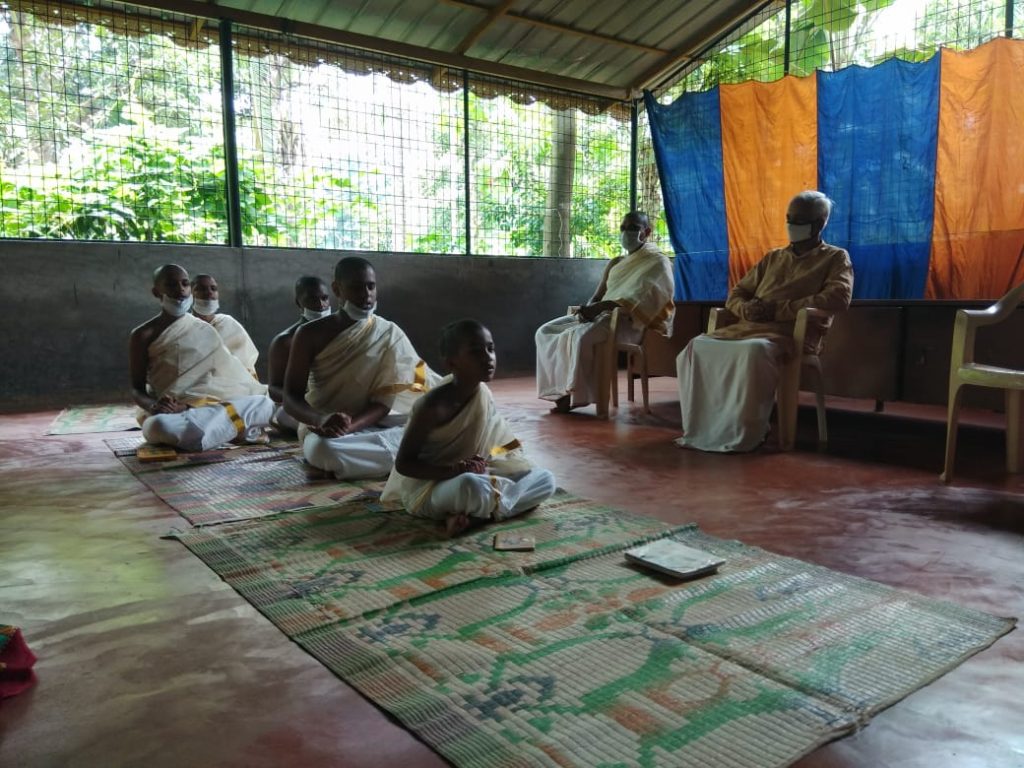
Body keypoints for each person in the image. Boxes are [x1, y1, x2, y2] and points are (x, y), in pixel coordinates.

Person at [675, 190, 855, 452]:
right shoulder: (773, 257)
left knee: (753, 351)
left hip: (790, 334)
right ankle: (704, 430)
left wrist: (779, 310)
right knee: (695, 348)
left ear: (818, 224)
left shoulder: (835, 258)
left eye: (799, 220)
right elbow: (736, 295)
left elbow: (838, 298)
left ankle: (746, 431)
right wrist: (747, 309)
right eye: (789, 218)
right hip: (747, 327)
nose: (791, 225)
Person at [382, 319, 556, 537]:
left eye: (490, 349)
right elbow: (404, 464)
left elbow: (495, 449)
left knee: (545, 479)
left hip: (476, 476)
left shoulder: (483, 394)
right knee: (470, 486)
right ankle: (492, 510)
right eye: (476, 352)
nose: (488, 357)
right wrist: (454, 471)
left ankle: (477, 517)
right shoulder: (432, 407)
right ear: (451, 363)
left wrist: (481, 464)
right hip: (433, 488)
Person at [283, 256, 441, 479]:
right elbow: (291, 397)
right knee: (322, 450)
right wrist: (322, 420)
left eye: (371, 286)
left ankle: (405, 458)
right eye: (356, 287)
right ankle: (415, 460)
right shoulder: (309, 334)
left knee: (436, 427)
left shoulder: (388, 332)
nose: (366, 294)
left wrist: (350, 426)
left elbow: (383, 405)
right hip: (325, 429)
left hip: (369, 422)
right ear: (338, 290)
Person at [535, 211, 675, 413]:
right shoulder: (616, 262)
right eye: (623, 227)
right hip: (600, 317)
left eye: (633, 227)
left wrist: (599, 308)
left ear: (647, 232)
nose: (626, 232)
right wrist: (588, 310)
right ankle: (559, 391)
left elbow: (640, 302)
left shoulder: (658, 262)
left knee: (581, 338)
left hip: (629, 323)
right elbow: (597, 295)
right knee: (545, 332)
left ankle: (575, 396)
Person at [129, 264, 274, 451]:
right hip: (173, 413)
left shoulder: (204, 329)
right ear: (157, 292)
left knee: (264, 402)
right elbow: (136, 389)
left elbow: (226, 378)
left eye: (185, 284)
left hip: (201, 408)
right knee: (157, 426)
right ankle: (227, 430)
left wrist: (189, 406)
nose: (180, 289)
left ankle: (210, 433)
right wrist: (155, 406)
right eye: (172, 285)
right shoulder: (142, 335)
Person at [267, 276, 332, 434]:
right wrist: (300, 398)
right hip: (303, 404)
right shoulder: (285, 341)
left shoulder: (342, 333)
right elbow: (274, 388)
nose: (320, 305)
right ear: (299, 303)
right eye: (312, 299)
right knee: (284, 415)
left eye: (324, 298)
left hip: (336, 399)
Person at [191, 273, 260, 377]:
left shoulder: (228, 324)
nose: (209, 292)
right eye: (201, 288)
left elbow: (244, 364)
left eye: (213, 289)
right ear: (190, 293)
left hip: (232, 384)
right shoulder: (184, 326)